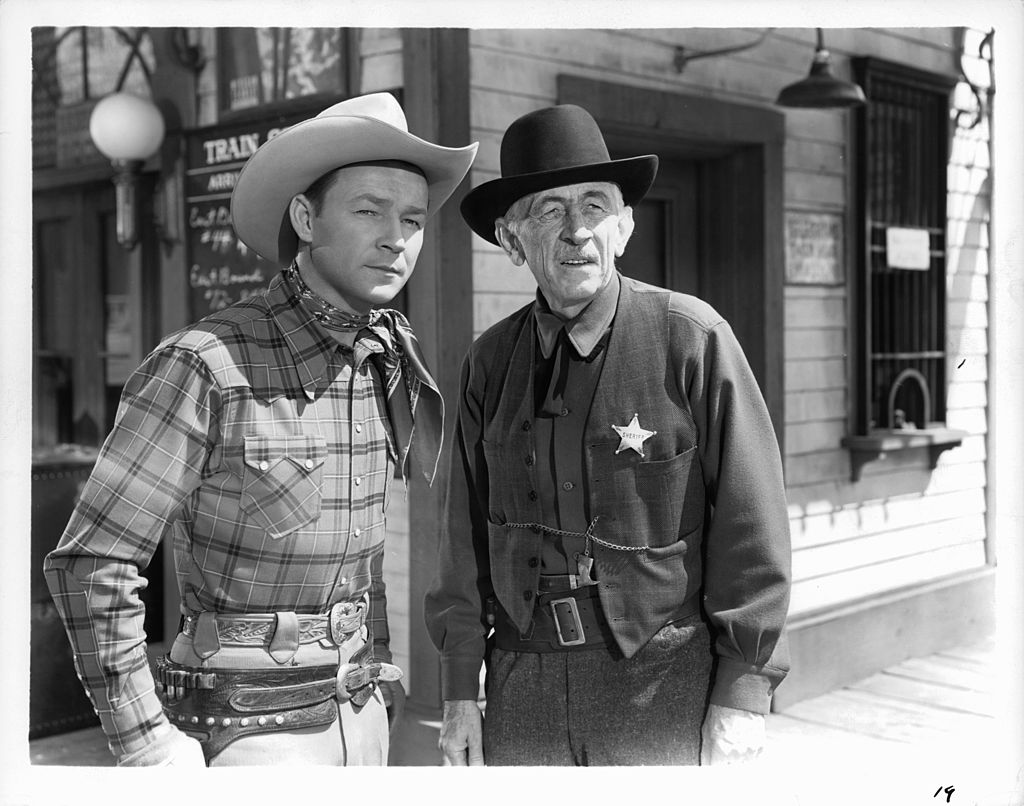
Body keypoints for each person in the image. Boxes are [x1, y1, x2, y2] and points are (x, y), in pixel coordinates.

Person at [44, 92, 477, 767]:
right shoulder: (206, 363)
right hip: (245, 729)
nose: (398, 237)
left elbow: (360, 562)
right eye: (369, 211)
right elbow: (92, 561)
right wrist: (147, 742)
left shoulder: (381, 360)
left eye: (414, 219)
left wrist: (380, 679)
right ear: (305, 217)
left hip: (361, 715)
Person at [424, 104, 791, 766]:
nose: (576, 231)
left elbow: (752, 528)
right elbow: (461, 543)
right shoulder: (488, 361)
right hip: (520, 687)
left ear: (624, 227)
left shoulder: (693, 338)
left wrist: (741, 696)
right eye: (548, 212)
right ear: (511, 241)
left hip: (660, 682)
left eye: (595, 207)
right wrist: (458, 694)